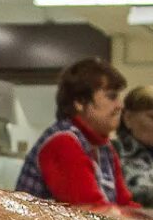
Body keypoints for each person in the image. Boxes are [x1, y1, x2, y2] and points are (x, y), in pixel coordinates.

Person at [15, 58, 134, 207]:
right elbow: (91, 213)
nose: (120, 105)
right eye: (111, 96)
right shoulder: (63, 142)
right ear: (80, 102)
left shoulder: (104, 147)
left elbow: (125, 205)